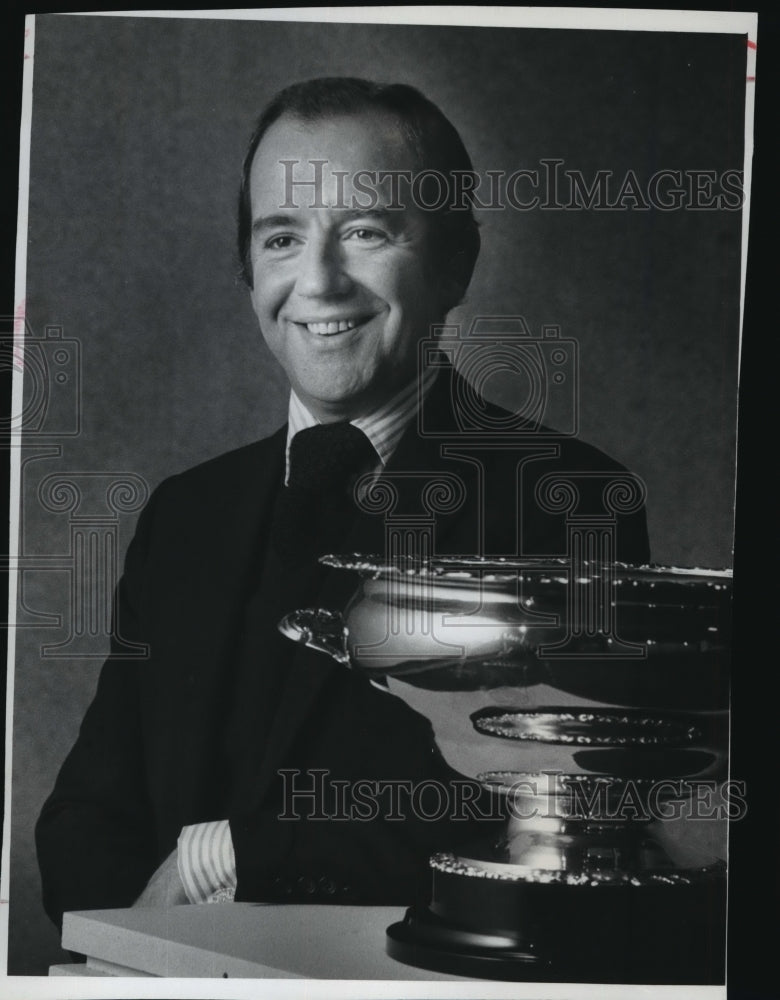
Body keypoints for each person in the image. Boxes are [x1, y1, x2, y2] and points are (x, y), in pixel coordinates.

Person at [36, 78, 650, 929]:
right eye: (282, 237)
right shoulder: (184, 514)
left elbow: (544, 811)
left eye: (365, 231)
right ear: (249, 269)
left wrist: (221, 862)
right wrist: (132, 953)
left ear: (455, 262)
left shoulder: (569, 501)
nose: (318, 283)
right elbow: (84, 813)